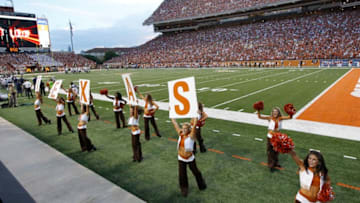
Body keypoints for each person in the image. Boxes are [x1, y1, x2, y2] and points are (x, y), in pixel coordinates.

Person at [171, 117, 207, 197]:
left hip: (190, 158)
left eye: (185, 129)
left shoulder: (191, 136)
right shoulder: (180, 134)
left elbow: (194, 126)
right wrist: (172, 114)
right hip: (181, 158)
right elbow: (175, 124)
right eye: (183, 128)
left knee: (196, 172)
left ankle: (202, 185)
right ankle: (184, 189)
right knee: (182, 175)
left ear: (188, 129)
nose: (183, 130)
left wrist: (195, 118)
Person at [257, 107, 292, 172]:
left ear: (278, 112)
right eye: (274, 111)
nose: (275, 112)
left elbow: (289, 117)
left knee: (276, 151)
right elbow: (260, 117)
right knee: (270, 151)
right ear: (272, 113)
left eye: (276, 111)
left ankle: (276, 163)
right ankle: (271, 164)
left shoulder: (280, 118)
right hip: (270, 137)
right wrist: (258, 110)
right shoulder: (270, 118)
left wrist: (290, 113)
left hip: (277, 137)